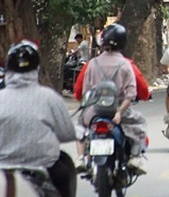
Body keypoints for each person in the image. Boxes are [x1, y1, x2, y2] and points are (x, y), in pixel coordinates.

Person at [0, 40, 77, 197]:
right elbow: (67, 133)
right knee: (64, 172)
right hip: (42, 167)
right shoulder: (49, 98)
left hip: (3, 169)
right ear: (37, 68)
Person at [75, 23, 147, 175]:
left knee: (81, 125)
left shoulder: (92, 64)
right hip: (118, 113)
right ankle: (135, 157)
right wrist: (119, 112)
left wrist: (88, 108)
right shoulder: (125, 65)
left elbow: (85, 92)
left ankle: (80, 158)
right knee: (139, 123)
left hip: (94, 112)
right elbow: (131, 94)